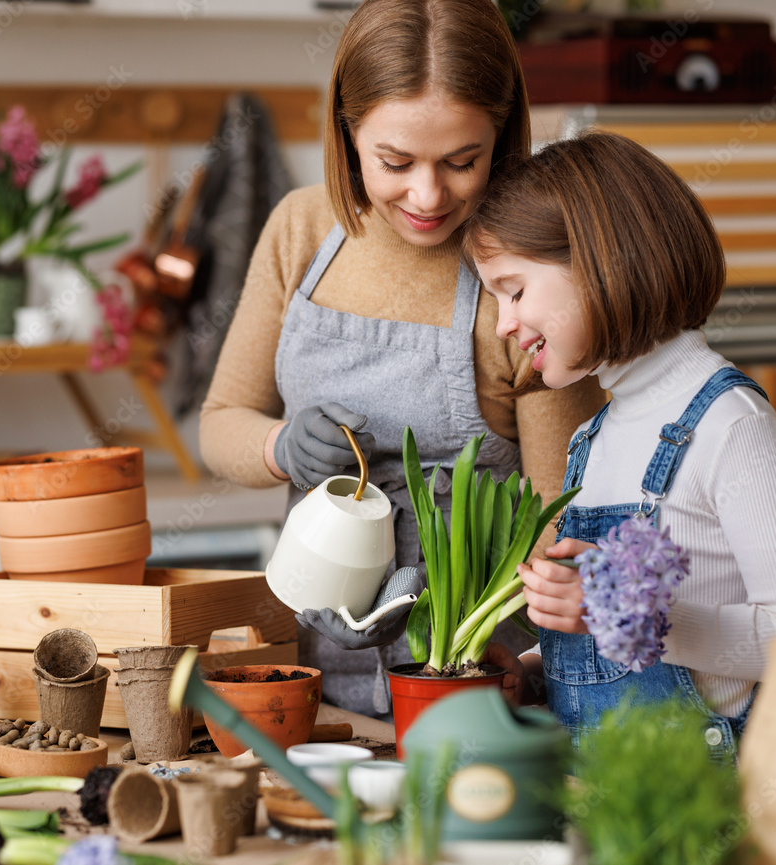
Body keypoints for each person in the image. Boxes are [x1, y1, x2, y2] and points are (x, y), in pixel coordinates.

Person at [199, 0, 605, 718]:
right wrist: (280, 447)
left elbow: (564, 522)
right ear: (346, 130)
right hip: (310, 679)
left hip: (476, 684)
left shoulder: (523, 279)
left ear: (502, 136)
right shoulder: (301, 229)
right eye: (395, 161)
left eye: (462, 161)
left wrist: (513, 657)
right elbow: (220, 419)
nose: (427, 194)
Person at [462, 131, 776, 755]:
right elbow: (606, 659)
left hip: (699, 807)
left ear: (596, 263)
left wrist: (624, 614)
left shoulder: (730, 427)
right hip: (599, 790)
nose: (503, 323)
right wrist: (530, 671)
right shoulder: (594, 436)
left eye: (515, 289)